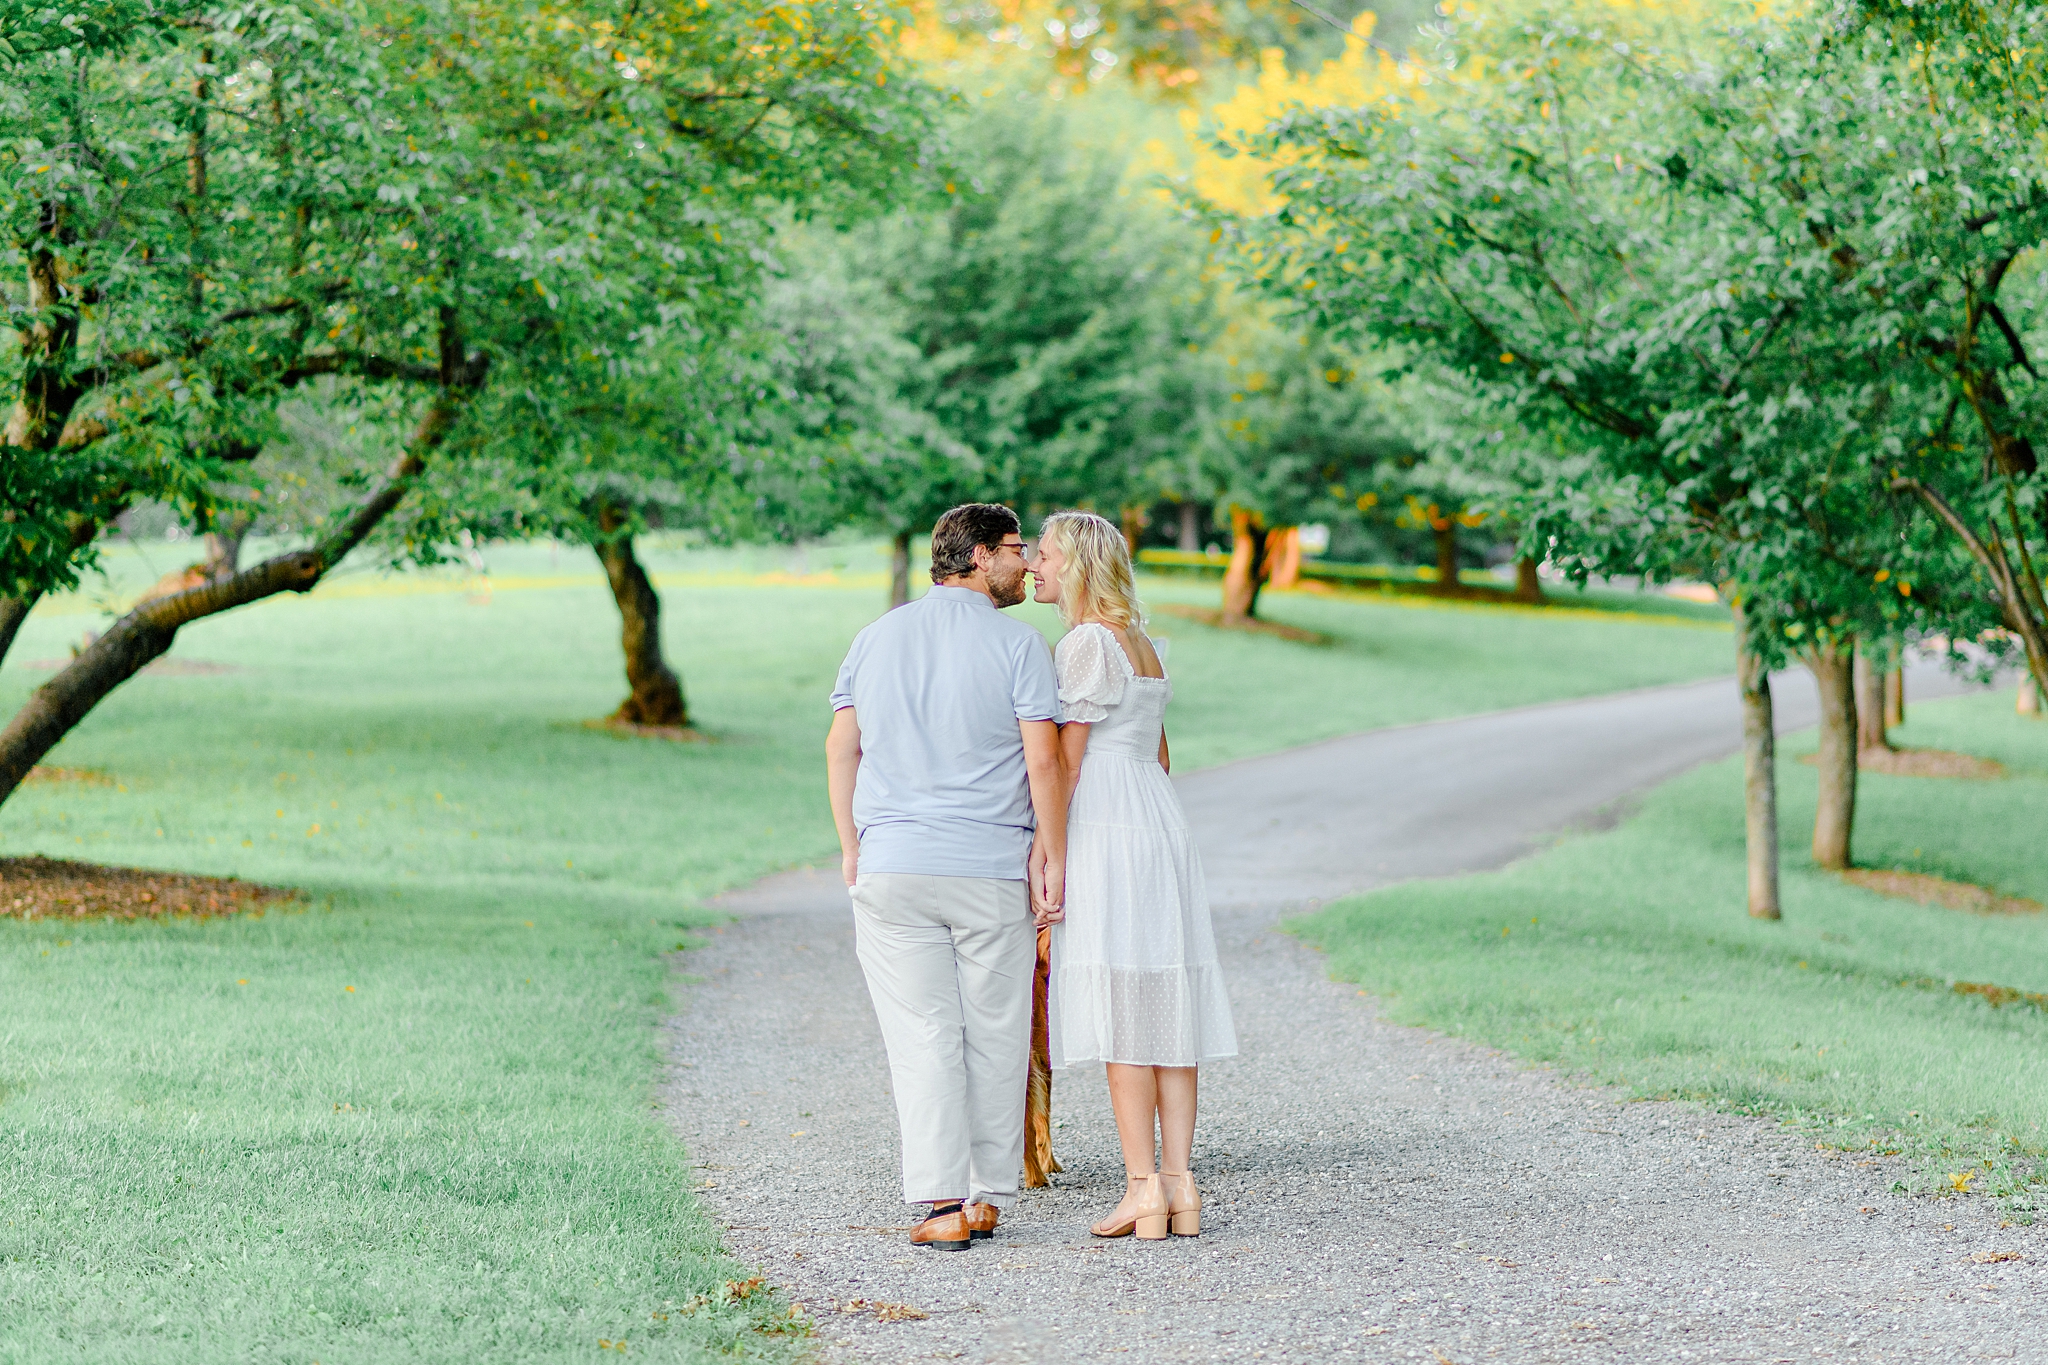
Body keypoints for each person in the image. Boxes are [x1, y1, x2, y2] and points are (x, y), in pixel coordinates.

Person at [825, 503, 1068, 1251]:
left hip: (893, 865)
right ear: (978, 556)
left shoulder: (875, 637)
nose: (1027, 565)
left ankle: (941, 1206)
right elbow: (1043, 759)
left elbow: (842, 748)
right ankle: (986, 1196)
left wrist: (850, 845)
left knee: (923, 1033)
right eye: (1016, 550)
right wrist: (1051, 851)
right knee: (995, 1028)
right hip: (989, 867)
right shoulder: (1019, 645)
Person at [1030, 510, 1237, 1241]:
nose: (1034, 564)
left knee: (1123, 1005)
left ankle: (1141, 1187)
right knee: (1165, 1005)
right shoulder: (1141, 642)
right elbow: (1162, 755)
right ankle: (1180, 1183)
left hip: (1108, 824)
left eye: (1046, 554)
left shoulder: (1085, 643)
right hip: (1158, 820)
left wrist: (1047, 854)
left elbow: (1066, 761)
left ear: (1078, 565)